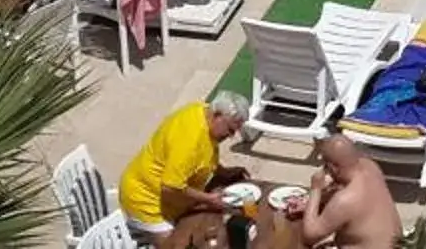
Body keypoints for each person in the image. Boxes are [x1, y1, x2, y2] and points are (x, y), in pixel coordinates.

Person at [119, 91, 252, 246]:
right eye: (230, 129)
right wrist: (209, 200)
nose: (231, 136)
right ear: (217, 115)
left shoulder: (203, 112)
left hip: (170, 198)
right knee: (178, 243)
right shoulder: (190, 140)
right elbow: (170, 187)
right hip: (146, 200)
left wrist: (224, 172)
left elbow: (205, 154)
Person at [277, 133, 399, 249]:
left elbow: (309, 236)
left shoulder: (344, 200)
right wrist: (308, 205)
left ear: (332, 168)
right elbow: (342, 190)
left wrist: (316, 190)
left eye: (326, 166)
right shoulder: (371, 166)